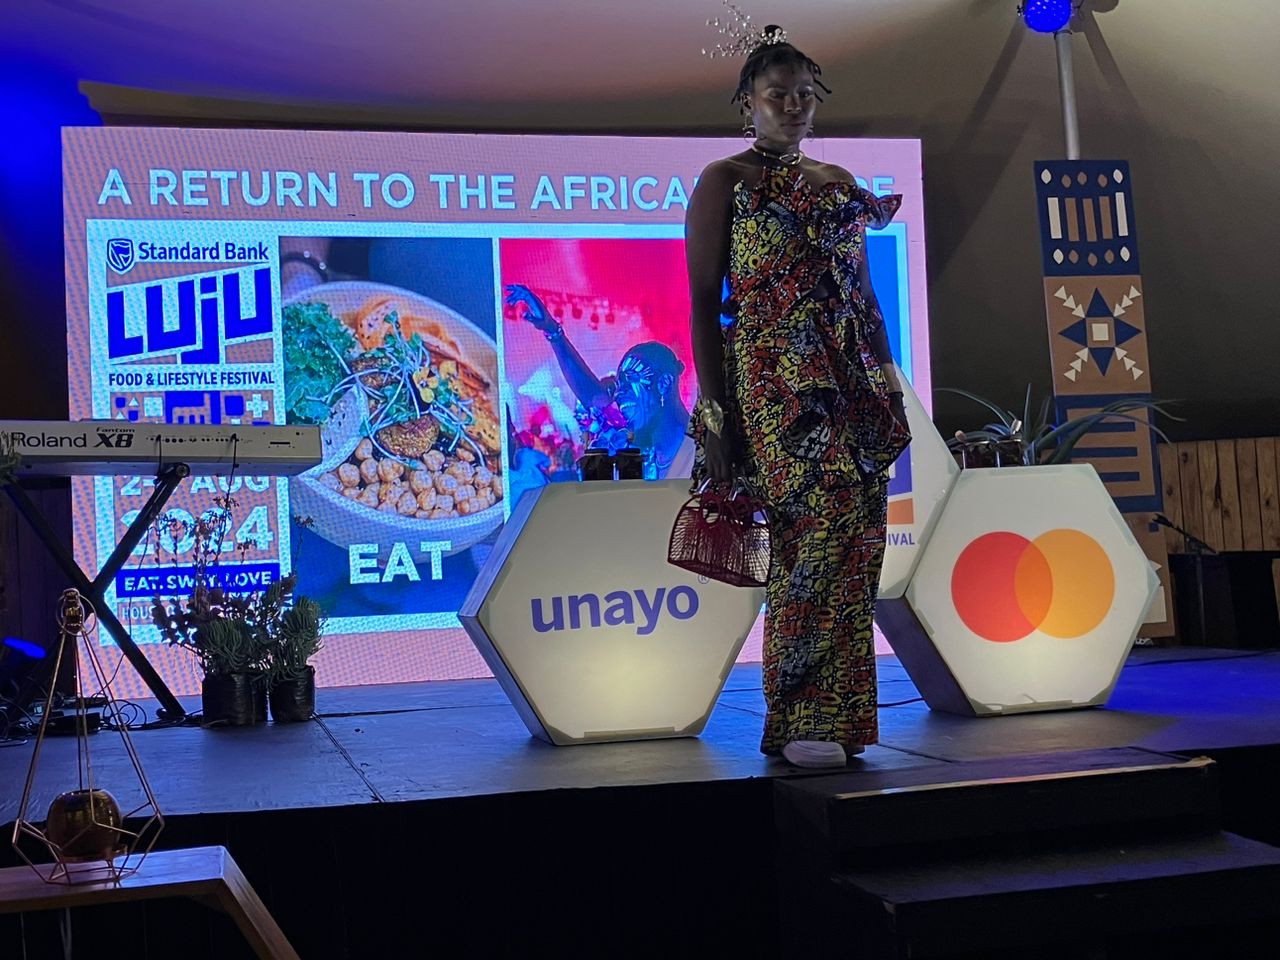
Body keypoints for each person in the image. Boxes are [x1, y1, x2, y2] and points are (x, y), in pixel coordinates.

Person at [686, 25, 911, 768]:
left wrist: (891, 384)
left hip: (851, 385)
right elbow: (703, 303)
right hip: (772, 385)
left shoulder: (839, 182)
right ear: (746, 105)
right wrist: (715, 416)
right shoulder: (724, 181)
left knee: (858, 538)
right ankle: (797, 717)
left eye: (804, 95)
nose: (793, 106)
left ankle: (843, 718)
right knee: (809, 539)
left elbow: (866, 300)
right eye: (777, 94)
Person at [504, 283, 695, 478]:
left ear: (663, 383)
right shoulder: (645, 453)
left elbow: (593, 395)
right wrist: (553, 331)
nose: (619, 393)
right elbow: (591, 396)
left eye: (630, 379)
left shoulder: (703, 450)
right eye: (619, 385)